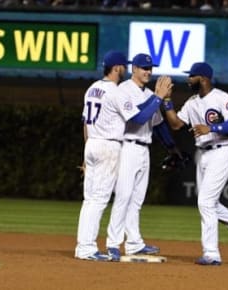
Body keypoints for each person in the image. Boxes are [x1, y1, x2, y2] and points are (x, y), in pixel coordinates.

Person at [74, 50, 173, 261]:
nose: (125, 70)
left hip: (92, 142)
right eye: (124, 66)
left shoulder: (92, 88)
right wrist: (158, 97)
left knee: (89, 199)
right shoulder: (115, 91)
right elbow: (138, 118)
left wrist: (86, 151)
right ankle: (86, 248)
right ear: (118, 68)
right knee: (99, 200)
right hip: (108, 146)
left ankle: (85, 246)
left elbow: (85, 122)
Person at [161, 62, 228, 266]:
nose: (188, 80)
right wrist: (167, 101)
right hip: (203, 153)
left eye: (192, 76)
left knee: (205, 202)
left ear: (203, 78)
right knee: (209, 203)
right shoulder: (192, 102)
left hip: (221, 151)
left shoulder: (222, 98)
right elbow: (177, 124)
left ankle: (212, 253)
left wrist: (211, 128)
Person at [105, 53, 179, 261]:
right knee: (123, 196)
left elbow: (157, 124)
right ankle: (112, 243)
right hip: (127, 147)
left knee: (136, 200)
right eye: (143, 68)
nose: (148, 71)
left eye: (150, 68)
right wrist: (158, 98)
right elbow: (138, 118)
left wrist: (172, 148)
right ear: (133, 69)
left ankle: (134, 243)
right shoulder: (123, 90)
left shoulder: (148, 94)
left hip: (144, 149)